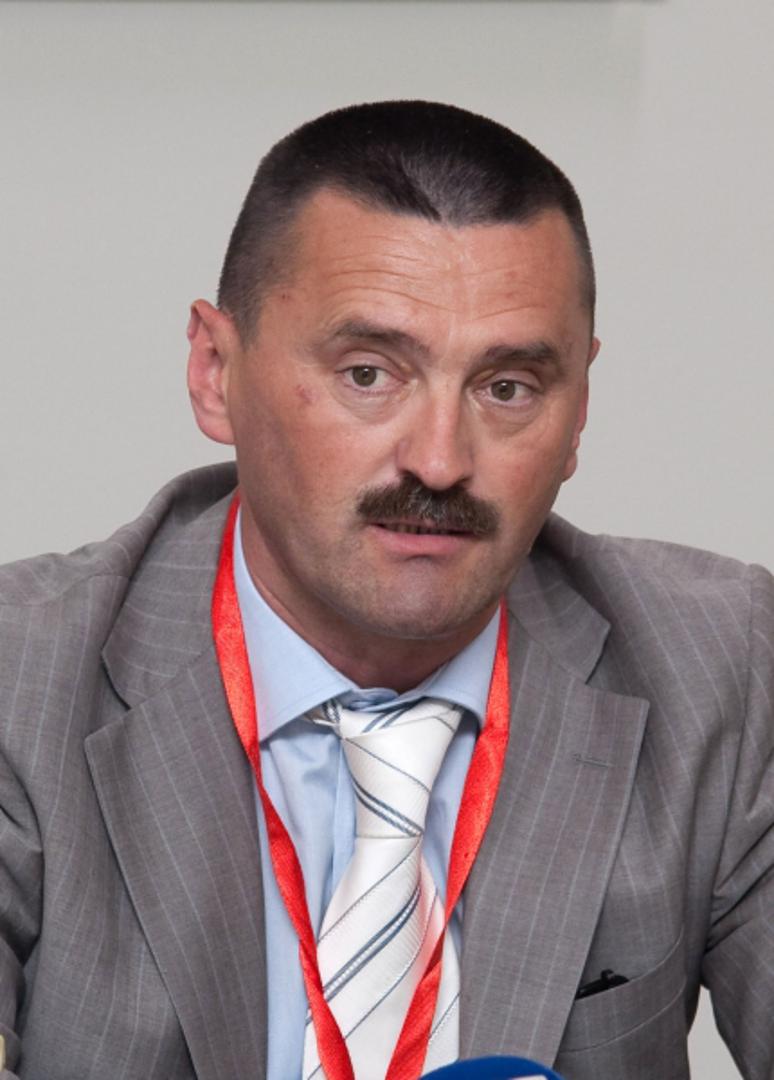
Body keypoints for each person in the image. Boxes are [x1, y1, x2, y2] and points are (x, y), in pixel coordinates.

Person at [0, 101, 771, 1080]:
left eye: (507, 388)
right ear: (215, 372)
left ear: (579, 409)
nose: (440, 462)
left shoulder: (725, 669)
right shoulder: (21, 678)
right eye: (369, 374)